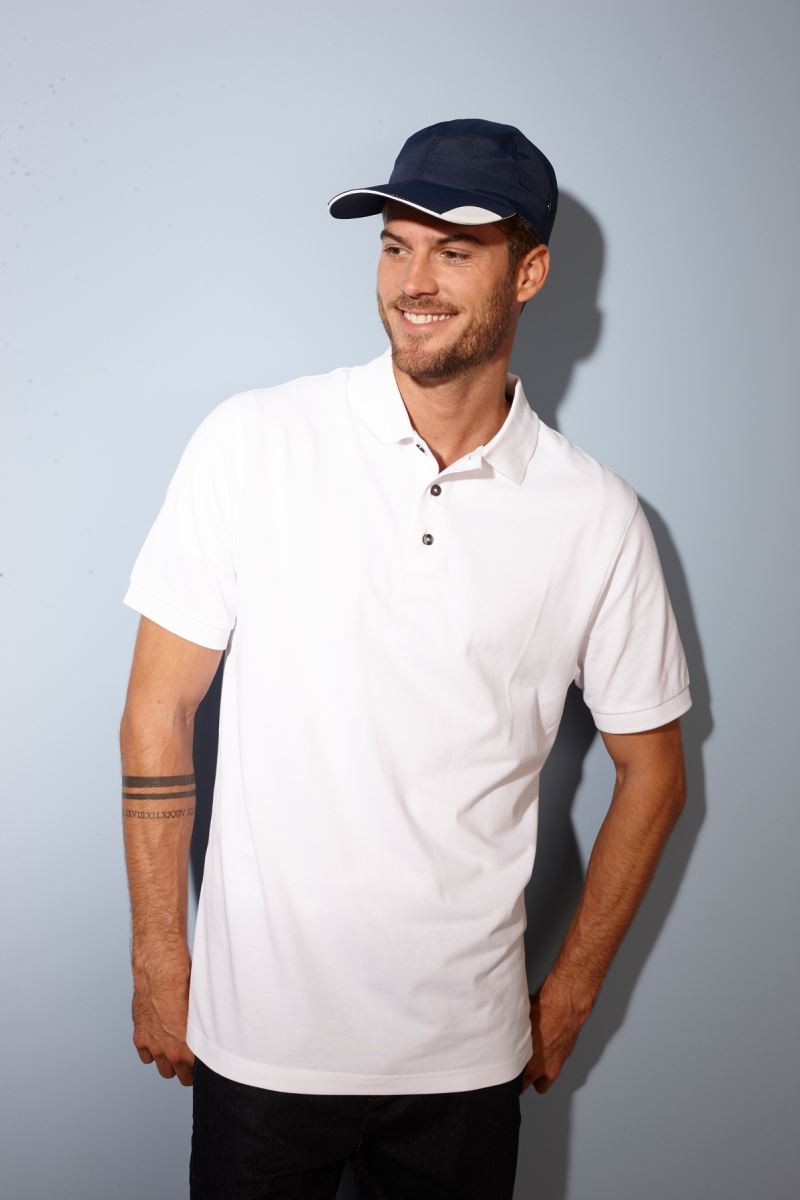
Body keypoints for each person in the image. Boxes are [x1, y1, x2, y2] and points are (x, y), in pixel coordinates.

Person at [119, 118, 691, 1199]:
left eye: (454, 250)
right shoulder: (255, 441)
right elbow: (157, 709)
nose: (412, 281)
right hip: (259, 1042)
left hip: (464, 1061)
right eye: (395, 245)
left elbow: (654, 770)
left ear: (529, 274)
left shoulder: (595, 515)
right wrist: (159, 954)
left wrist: (570, 992)